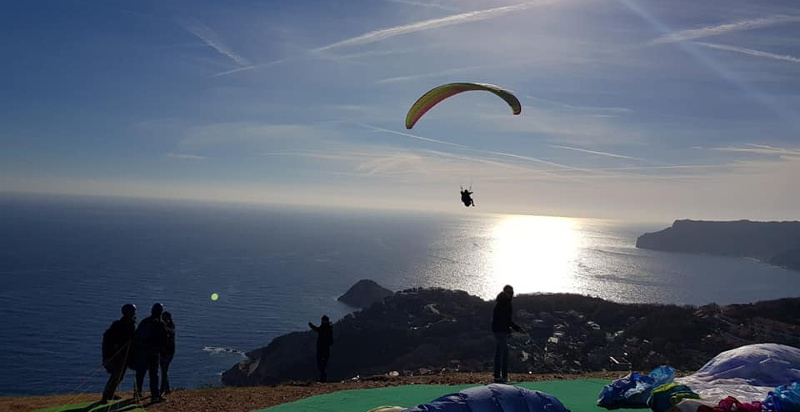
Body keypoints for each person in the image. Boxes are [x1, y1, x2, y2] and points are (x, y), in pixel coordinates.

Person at [101, 303, 137, 404]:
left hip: (125, 355)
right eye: (132, 312)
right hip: (117, 355)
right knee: (115, 375)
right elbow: (110, 338)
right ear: (126, 313)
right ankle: (105, 395)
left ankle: (111, 393)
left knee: (120, 376)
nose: (134, 314)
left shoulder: (131, 325)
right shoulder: (117, 325)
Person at [134, 303, 168, 403]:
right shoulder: (160, 324)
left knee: (140, 373)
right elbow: (164, 339)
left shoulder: (145, 321)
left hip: (142, 352)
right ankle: (155, 396)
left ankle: (137, 393)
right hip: (153, 352)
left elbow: (136, 335)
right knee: (154, 374)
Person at [491, 285, 522, 384]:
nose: (511, 294)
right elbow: (503, 320)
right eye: (509, 292)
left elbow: (507, 320)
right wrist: (514, 328)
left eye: (512, 293)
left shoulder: (504, 303)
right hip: (500, 332)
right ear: (505, 292)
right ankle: (502, 376)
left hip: (501, 331)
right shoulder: (503, 304)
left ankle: (498, 376)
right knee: (503, 354)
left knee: (499, 353)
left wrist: (513, 329)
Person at [308, 315, 334, 382]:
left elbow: (318, 330)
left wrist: (311, 325)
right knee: (323, 364)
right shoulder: (329, 327)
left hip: (322, 348)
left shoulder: (325, 327)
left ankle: (323, 378)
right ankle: (323, 378)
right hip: (325, 348)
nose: (322, 321)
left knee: (320, 364)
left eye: (322, 320)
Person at [160, 311, 175, 396]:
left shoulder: (169, 328)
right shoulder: (170, 327)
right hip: (166, 352)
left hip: (167, 353)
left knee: (164, 371)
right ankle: (167, 388)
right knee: (164, 371)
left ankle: (163, 390)